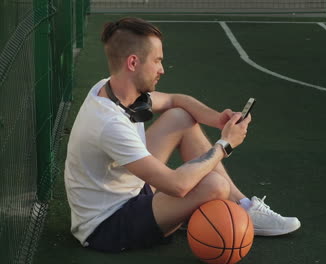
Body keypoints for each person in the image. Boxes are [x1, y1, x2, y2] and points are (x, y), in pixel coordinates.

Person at [64, 17, 300, 253]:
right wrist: (225, 144)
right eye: (157, 61)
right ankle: (193, 212)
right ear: (133, 62)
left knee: (180, 117)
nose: (162, 69)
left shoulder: (111, 87)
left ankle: (244, 206)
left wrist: (217, 118)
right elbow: (178, 186)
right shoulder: (109, 123)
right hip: (108, 225)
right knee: (215, 186)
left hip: (129, 191)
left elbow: (175, 100)